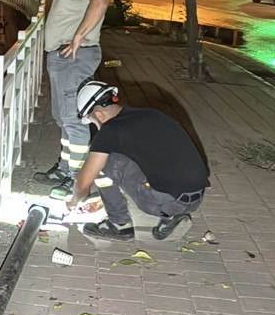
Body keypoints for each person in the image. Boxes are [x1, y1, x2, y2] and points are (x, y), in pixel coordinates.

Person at [68, 80, 211, 241]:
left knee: (103, 160)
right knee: (142, 163)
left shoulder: (110, 130)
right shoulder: (151, 113)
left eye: (93, 121)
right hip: (196, 196)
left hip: (168, 201)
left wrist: (73, 202)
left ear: (100, 115)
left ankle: (119, 224)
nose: (95, 126)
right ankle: (171, 219)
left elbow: (83, 184)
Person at [32, 0, 109, 198]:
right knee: (63, 117)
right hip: (63, 58)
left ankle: (77, 179)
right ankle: (65, 168)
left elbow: (99, 2)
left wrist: (77, 37)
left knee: (73, 120)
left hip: (74, 57)